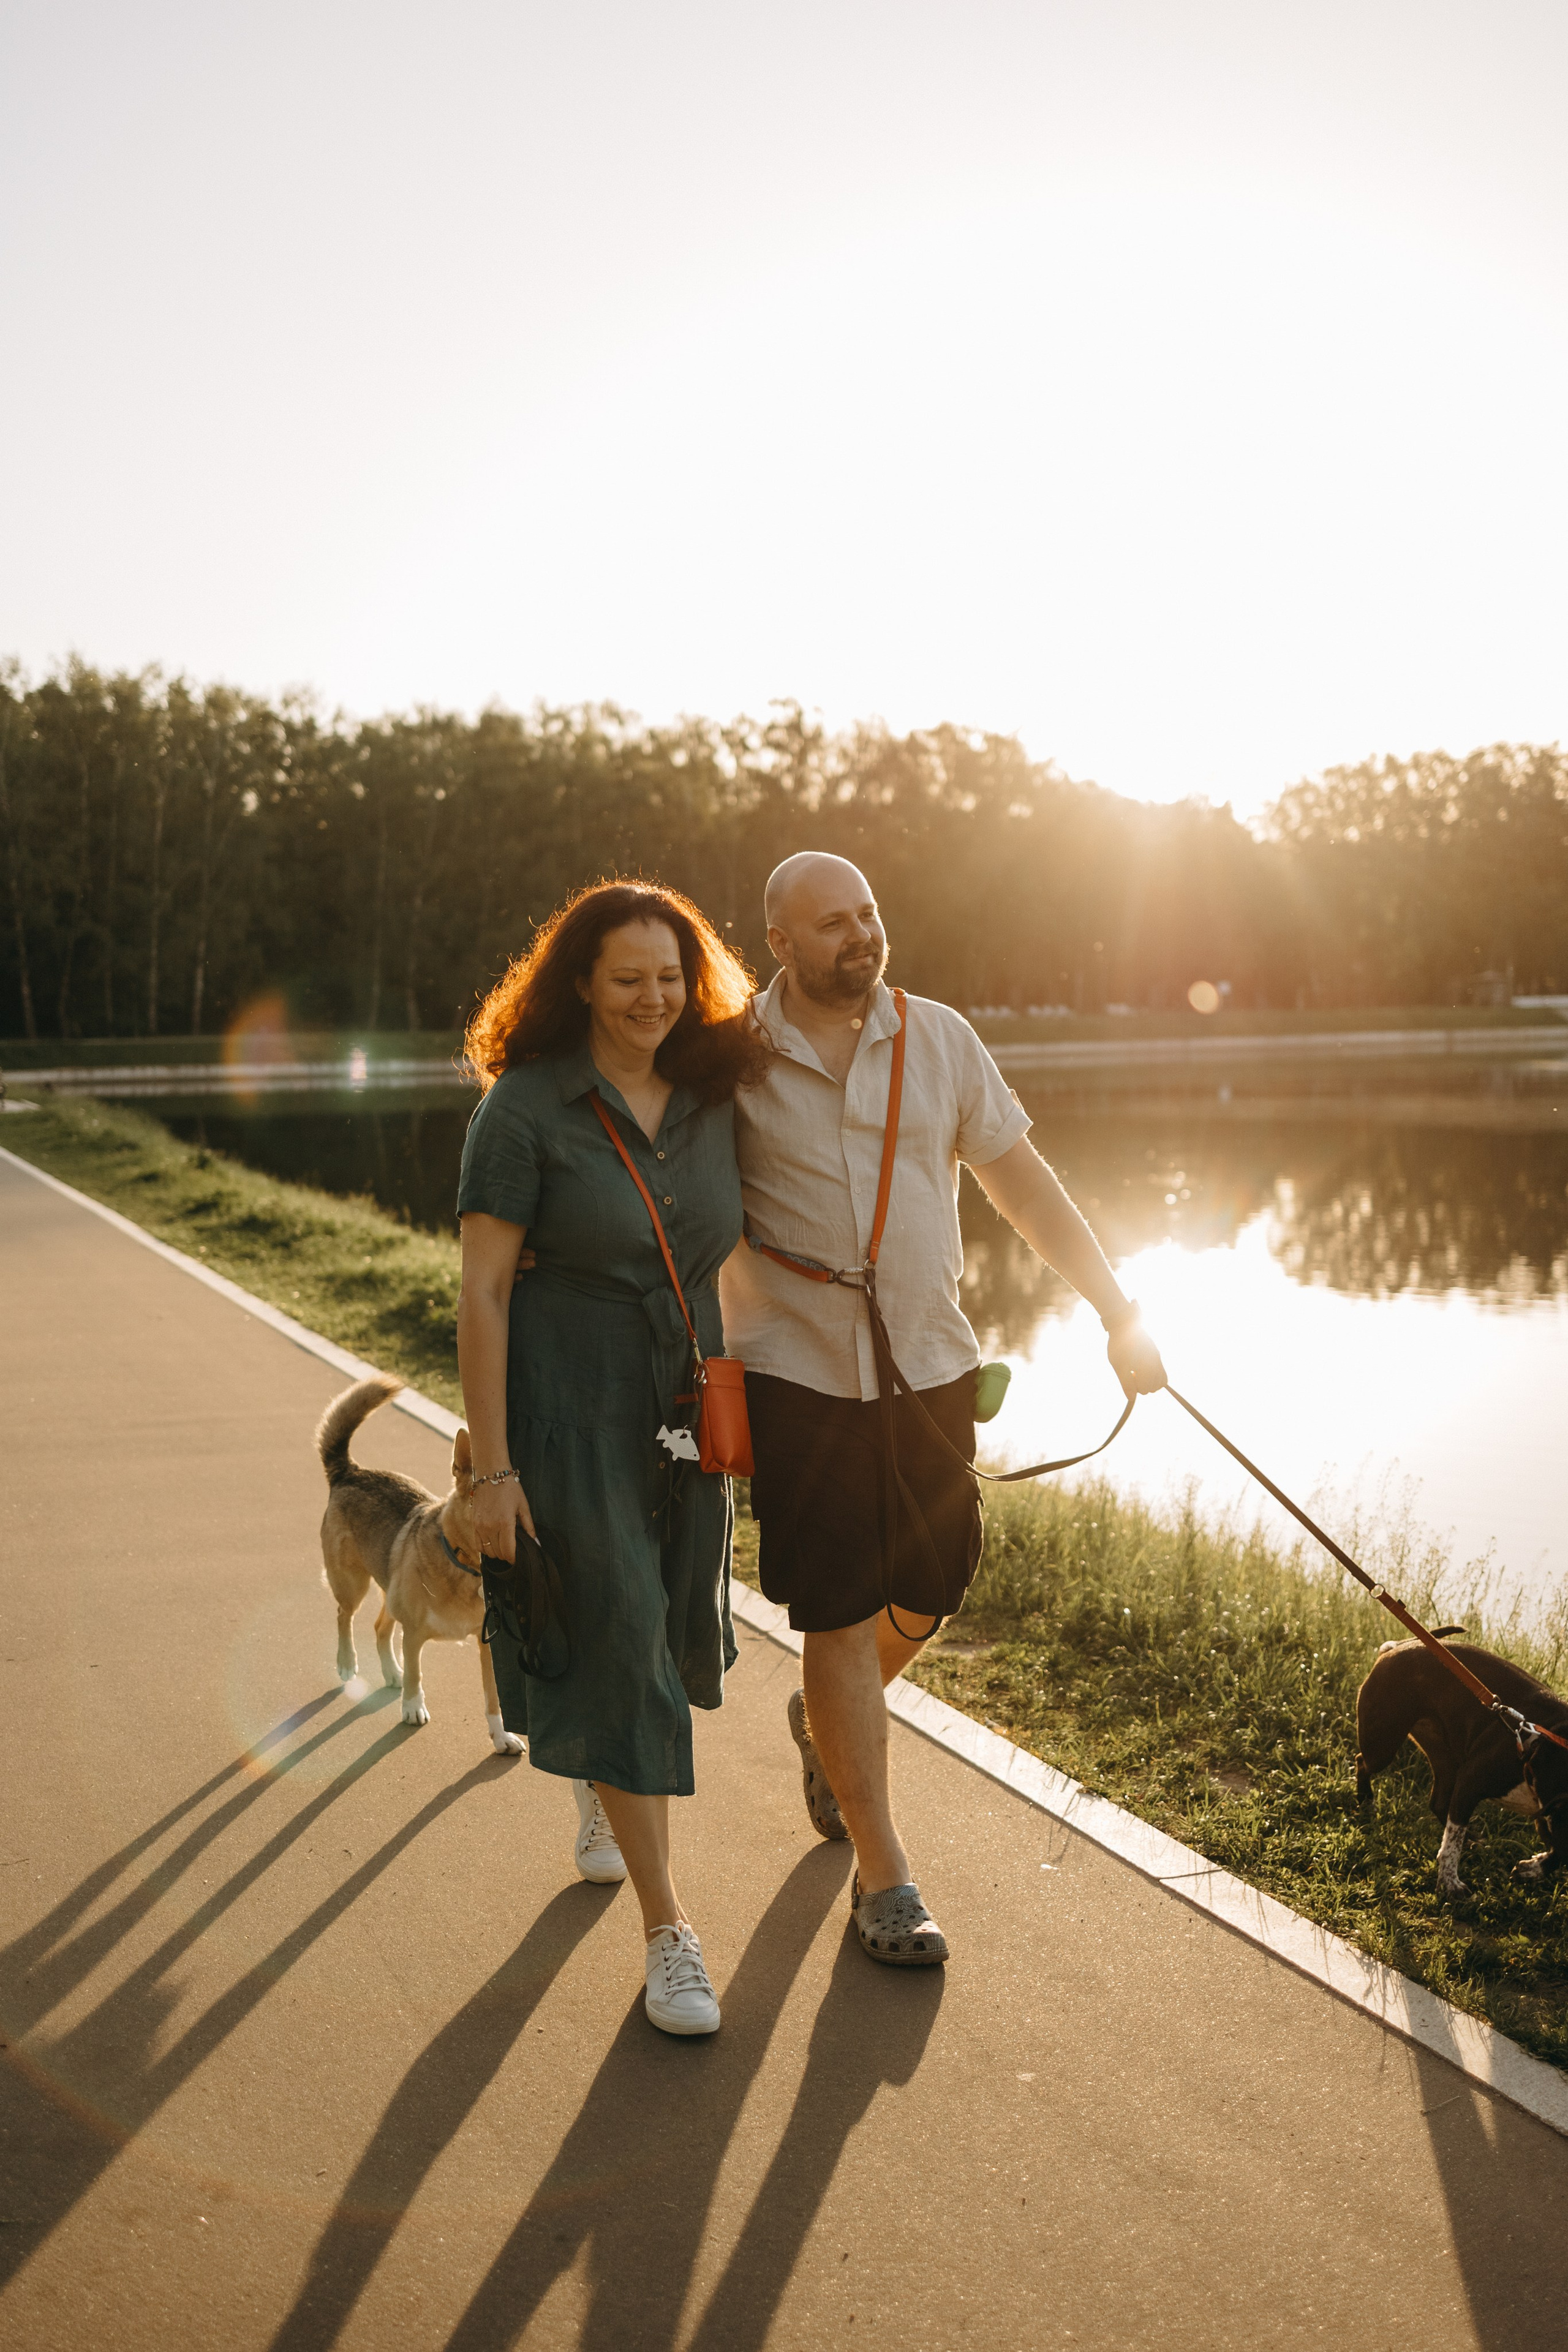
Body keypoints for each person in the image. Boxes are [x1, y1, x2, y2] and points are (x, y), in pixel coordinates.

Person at [719, 851, 1167, 1967]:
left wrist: (1118, 1310)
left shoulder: (942, 1039)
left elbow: (1024, 1184)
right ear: (781, 942)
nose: (860, 937)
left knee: (933, 1581)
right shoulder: (728, 1059)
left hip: (928, 1367)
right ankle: (886, 1879)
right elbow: (675, 1202)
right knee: (833, 1608)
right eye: (831, 924)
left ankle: (831, 1722)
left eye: (869, 913)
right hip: (794, 1373)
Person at [456, 880, 770, 2037]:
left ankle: (597, 1778)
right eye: (628, 977)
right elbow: (485, 1292)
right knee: (629, 1633)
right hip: (566, 1404)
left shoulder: (712, 1095)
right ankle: (669, 1932)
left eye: (672, 978)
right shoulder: (526, 1110)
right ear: (579, 981)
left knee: (669, 1625)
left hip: (686, 1401)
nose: (653, 998)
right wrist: (491, 1471)